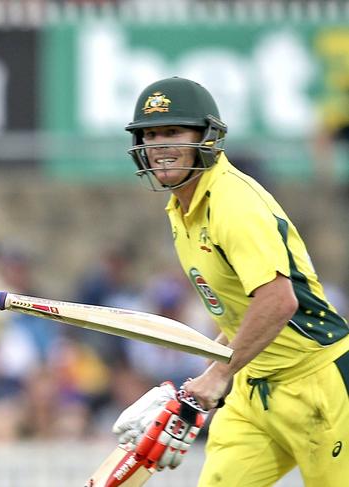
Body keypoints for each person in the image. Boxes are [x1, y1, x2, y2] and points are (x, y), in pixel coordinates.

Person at [112, 77, 349, 486]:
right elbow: (243, 311)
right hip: (254, 390)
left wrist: (219, 375)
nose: (160, 146)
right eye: (150, 134)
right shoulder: (181, 206)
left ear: (206, 138)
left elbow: (278, 301)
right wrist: (197, 385)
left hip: (318, 385)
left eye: (173, 132)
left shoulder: (233, 202)